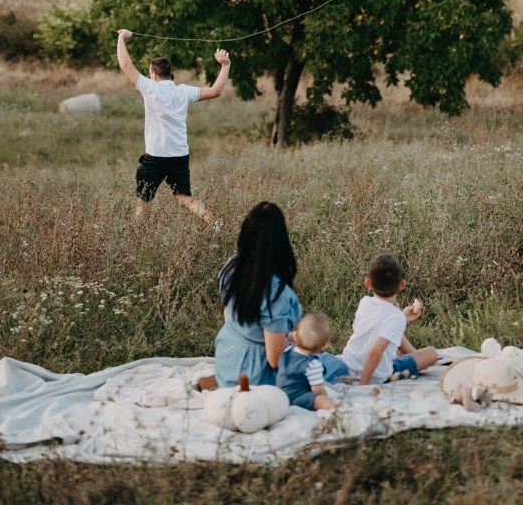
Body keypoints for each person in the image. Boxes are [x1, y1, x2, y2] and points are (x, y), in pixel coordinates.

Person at [116, 29, 230, 227]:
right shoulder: (184, 91)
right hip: (179, 154)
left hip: (156, 156)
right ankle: (215, 224)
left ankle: (135, 239)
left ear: (153, 74)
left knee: (143, 202)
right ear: (170, 74)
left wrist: (121, 37)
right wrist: (225, 65)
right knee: (184, 197)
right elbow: (216, 91)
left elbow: (126, 65)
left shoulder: (150, 88)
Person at [199, 201, 302, 391]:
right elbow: (274, 359)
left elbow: (227, 314)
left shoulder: (231, 267)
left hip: (227, 354)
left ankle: (221, 380)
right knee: (322, 366)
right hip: (256, 374)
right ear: (281, 241)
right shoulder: (275, 292)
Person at [340, 253, 438, 386]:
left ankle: (415, 357)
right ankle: (415, 359)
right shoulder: (395, 317)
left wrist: (403, 318)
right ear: (402, 284)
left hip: (348, 367)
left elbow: (380, 324)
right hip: (374, 376)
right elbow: (375, 352)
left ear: (368, 283)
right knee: (432, 353)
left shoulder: (365, 302)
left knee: (399, 338)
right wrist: (363, 385)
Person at [276, 313, 351, 411]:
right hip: (296, 398)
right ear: (324, 346)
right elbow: (317, 390)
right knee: (320, 399)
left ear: (295, 335)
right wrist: (324, 397)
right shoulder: (313, 364)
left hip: (279, 393)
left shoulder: (286, 352)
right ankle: (338, 409)